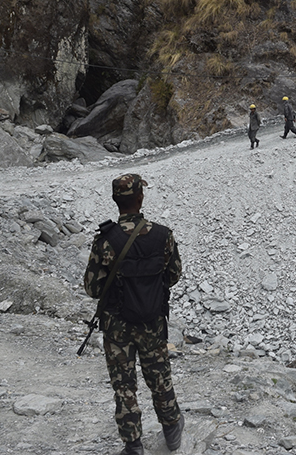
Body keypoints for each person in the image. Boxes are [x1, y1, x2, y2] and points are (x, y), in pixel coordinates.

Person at [84, 174, 185, 455]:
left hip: (117, 325)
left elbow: (92, 288)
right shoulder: (163, 235)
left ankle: (133, 446)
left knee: (124, 385)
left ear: (116, 201)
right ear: (140, 198)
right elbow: (174, 275)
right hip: (152, 321)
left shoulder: (105, 240)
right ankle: (172, 431)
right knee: (159, 377)